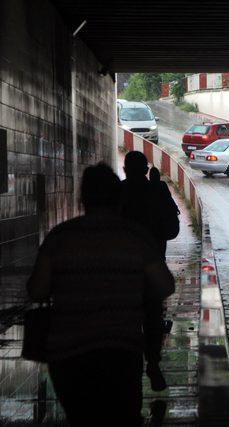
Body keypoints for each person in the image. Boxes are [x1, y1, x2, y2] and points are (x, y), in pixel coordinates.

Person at [26, 163, 175, 426]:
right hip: (121, 351)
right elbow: (165, 286)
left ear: (82, 198)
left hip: (69, 355)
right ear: (119, 198)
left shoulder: (59, 237)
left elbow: (36, 290)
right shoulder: (135, 237)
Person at [120, 152, 179, 391]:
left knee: (126, 318)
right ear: (146, 170)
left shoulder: (118, 192)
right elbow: (173, 229)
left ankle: (128, 364)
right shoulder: (158, 190)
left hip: (123, 269)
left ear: (125, 170)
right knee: (153, 315)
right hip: (153, 264)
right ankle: (153, 363)